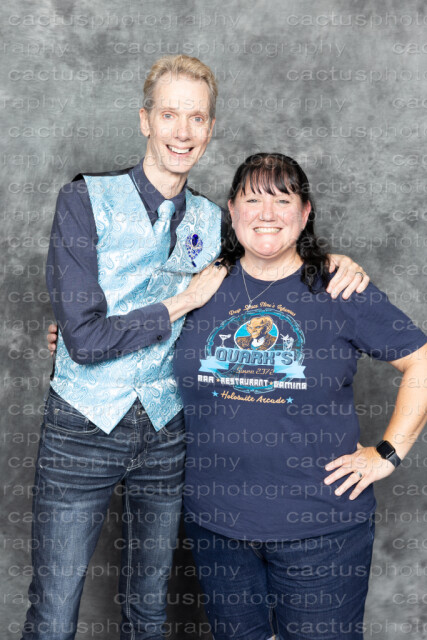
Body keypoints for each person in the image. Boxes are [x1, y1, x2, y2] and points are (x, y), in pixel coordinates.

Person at [34, 54, 370, 640]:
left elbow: (273, 257)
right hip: (82, 425)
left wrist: (332, 262)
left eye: (197, 118)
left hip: (169, 432)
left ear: (210, 128)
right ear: (145, 120)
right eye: (169, 114)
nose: (183, 131)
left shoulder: (216, 220)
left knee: (149, 612)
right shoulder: (84, 198)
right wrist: (179, 303)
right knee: (55, 613)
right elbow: (84, 340)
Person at [173, 153, 427, 640]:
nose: (266, 214)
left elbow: (421, 360)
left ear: (305, 212)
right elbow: (133, 334)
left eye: (282, 200)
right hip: (216, 527)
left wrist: (388, 453)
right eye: (252, 200)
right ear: (232, 210)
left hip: (321, 530)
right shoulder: (202, 283)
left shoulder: (339, 287)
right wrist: (74, 339)